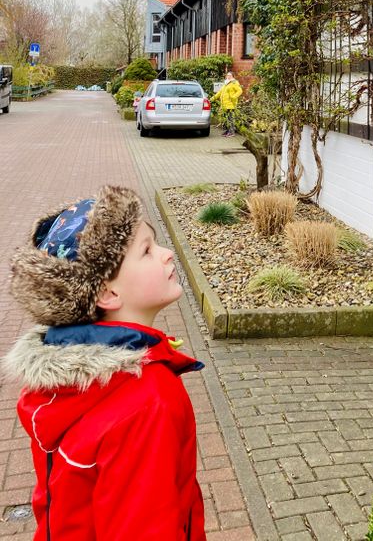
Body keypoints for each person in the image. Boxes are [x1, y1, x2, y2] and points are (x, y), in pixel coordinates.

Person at [4, 186, 206, 540]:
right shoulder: (149, 401)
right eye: (147, 250)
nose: (167, 254)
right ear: (107, 293)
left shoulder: (60, 390)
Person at [215, 70, 243, 136]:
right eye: (227, 75)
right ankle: (228, 131)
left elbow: (240, 91)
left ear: (233, 76)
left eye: (230, 75)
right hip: (225, 105)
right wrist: (213, 98)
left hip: (231, 104)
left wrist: (233, 97)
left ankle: (232, 132)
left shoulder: (234, 83)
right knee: (226, 119)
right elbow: (220, 92)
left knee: (230, 119)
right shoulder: (226, 84)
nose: (228, 76)